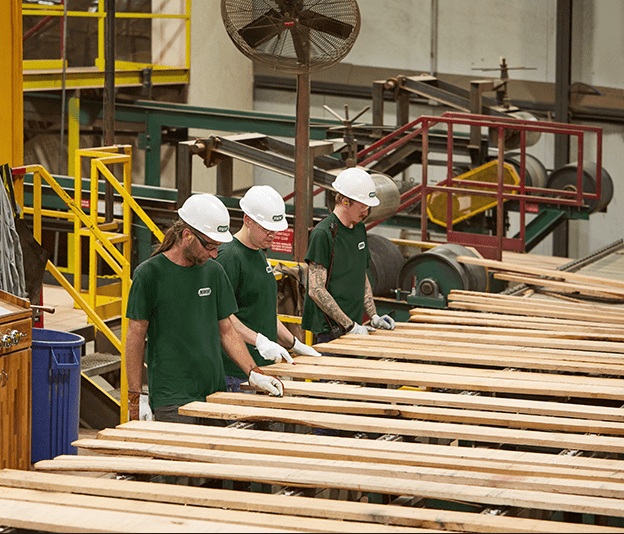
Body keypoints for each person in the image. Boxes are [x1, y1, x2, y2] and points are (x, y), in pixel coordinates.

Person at [125, 193, 284, 422]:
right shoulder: (149, 275)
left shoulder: (214, 272)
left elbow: (227, 330)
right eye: (210, 246)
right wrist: (135, 396)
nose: (214, 254)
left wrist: (253, 372)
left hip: (213, 392)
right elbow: (135, 336)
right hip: (173, 397)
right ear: (187, 236)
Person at [216, 185, 320, 393]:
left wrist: (294, 344)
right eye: (266, 228)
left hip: (264, 370)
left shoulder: (258, 252)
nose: (272, 235)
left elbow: (263, 311)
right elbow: (222, 316)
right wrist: (259, 341)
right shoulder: (228, 256)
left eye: (275, 229)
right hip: (237, 375)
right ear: (247, 220)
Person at [302, 167, 396, 344]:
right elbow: (316, 289)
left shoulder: (359, 228)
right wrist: (349, 326)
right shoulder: (323, 234)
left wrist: (374, 315)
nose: (366, 212)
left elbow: (362, 275)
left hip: (354, 327)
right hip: (330, 331)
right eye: (362, 207)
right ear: (345, 202)